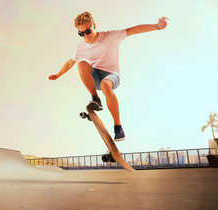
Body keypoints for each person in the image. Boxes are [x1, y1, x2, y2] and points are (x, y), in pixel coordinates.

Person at [49, 11, 169, 141]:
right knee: (81, 64)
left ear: (94, 26)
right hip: (95, 76)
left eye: (87, 31)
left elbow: (134, 30)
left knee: (105, 85)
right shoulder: (80, 48)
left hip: (112, 75)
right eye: (81, 33)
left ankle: (118, 127)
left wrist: (157, 26)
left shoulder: (111, 36)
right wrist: (58, 75)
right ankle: (96, 99)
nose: (85, 36)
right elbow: (70, 63)